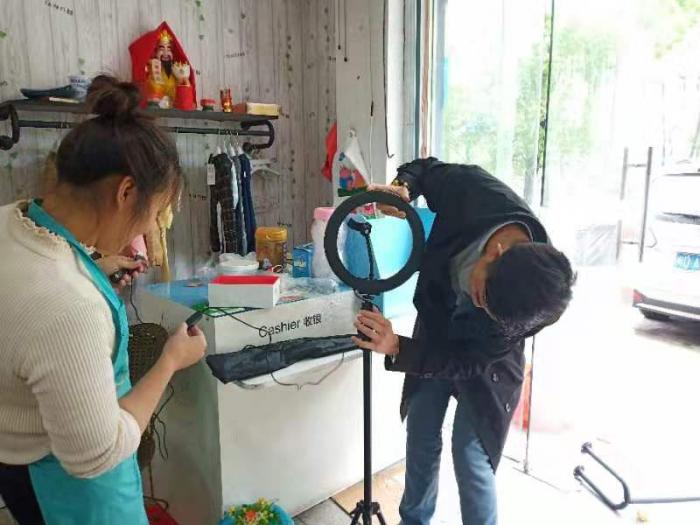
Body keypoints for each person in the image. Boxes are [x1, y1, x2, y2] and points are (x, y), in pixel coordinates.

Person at [0, 76, 207, 525]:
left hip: (12, 458)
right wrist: (170, 361)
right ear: (126, 192)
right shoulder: (69, 304)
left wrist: (91, 270)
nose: (146, 230)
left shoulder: (9, 221)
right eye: (154, 214)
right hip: (63, 488)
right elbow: (98, 454)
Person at [352, 158, 575, 525]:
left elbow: (468, 359)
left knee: (470, 454)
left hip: (488, 359)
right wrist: (405, 187)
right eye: (482, 295)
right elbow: (426, 170)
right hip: (438, 324)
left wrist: (397, 346)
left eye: (488, 307)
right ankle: (414, 520)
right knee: (421, 430)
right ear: (496, 250)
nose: (479, 304)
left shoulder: (530, 306)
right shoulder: (478, 194)